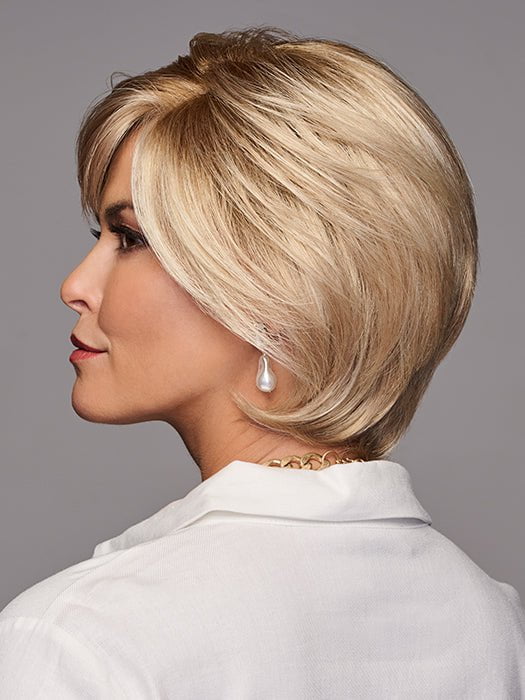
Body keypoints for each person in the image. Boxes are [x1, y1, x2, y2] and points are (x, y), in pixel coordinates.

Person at [0, 24, 523, 698]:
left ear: (274, 288)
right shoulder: (496, 627)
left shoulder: (76, 641)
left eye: (129, 238)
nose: (74, 285)